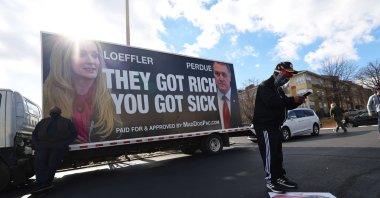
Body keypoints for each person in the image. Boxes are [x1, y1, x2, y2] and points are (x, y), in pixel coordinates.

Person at [43, 38, 120, 143]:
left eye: (95, 55)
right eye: (82, 54)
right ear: (66, 60)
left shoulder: (107, 101)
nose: (91, 61)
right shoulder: (49, 97)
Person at [252, 61, 305, 193]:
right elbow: (272, 103)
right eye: (287, 75)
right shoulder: (265, 86)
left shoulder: (278, 89)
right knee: (269, 154)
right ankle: (270, 180)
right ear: (279, 73)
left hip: (275, 125)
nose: (288, 79)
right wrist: (293, 100)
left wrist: (298, 101)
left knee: (277, 154)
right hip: (265, 126)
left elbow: (284, 104)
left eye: (290, 76)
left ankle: (279, 176)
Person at [32, 106, 77, 194]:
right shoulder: (43, 121)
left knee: (52, 164)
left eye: (55, 111)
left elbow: (74, 134)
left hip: (58, 146)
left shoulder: (66, 121)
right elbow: (34, 133)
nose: (53, 112)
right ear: (50, 113)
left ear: (59, 112)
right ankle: (40, 184)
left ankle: (46, 184)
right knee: (39, 164)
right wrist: (37, 144)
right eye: (52, 111)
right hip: (43, 146)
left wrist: (64, 144)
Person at [212, 61, 240, 129]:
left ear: (230, 77)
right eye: (217, 74)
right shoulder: (210, 100)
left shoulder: (237, 99)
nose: (221, 79)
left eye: (224, 74)